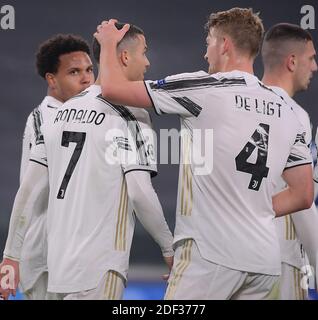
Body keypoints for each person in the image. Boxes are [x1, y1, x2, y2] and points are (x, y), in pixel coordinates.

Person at [94, 8, 314, 300]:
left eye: (209, 42)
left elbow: (110, 88)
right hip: (263, 261)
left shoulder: (204, 87)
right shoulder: (287, 110)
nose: (205, 54)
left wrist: (108, 43)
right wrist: (251, 210)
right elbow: (303, 194)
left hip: (210, 253)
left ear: (224, 44)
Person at [0, 23, 173, 300]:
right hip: (100, 267)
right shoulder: (130, 112)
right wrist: (169, 249)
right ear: (125, 57)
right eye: (144, 52)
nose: (148, 61)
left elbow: (28, 192)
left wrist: (10, 256)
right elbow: (140, 194)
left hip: (58, 269)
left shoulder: (59, 113)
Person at [1, 34, 95, 300]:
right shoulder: (48, 118)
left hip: (69, 252)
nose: (86, 78)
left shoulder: (80, 116)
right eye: (74, 72)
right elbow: (30, 191)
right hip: (46, 255)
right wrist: (11, 258)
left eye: (89, 70)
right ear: (52, 79)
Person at [262, 23, 318, 299]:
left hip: (232, 255)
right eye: (311, 58)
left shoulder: (233, 103)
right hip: (281, 260)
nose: (315, 67)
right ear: (292, 61)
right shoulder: (294, 115)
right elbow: (303, 201)